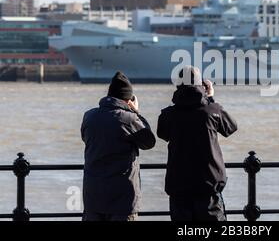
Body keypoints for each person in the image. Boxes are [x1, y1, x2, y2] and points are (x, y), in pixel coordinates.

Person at [157, 66, 238, 221]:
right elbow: (231, 127)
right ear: (201, 85)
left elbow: (162, 134)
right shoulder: (212, 110)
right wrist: (211, 98)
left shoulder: (168, 115)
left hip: (179, 187)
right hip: (208, 187)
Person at [81, 71, 156, 221]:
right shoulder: (129, 119)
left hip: (93, 195)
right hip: (122, 198)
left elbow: (85, 138)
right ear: (128, 99)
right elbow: (149, 142)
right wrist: (136, 112)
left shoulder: (89, 116)